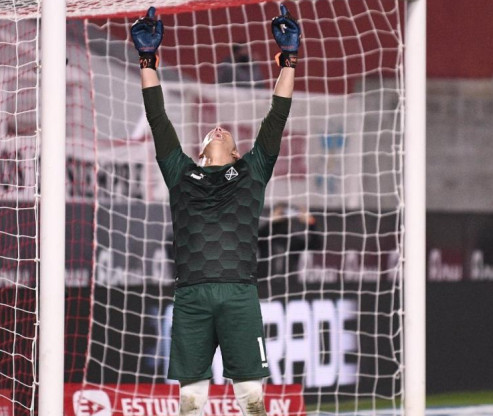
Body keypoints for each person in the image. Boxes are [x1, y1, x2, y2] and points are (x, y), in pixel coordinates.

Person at [131, 5, 299, 415]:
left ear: (237, 151)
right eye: (210, 132)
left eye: (224, 132)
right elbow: (157, 118)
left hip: (240, 293)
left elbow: (276, 118)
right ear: (201, 148)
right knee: (190, 401)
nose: (218, 129)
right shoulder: (179, 172)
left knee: (252, 399)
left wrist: (289, 61)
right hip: (190, 296)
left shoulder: (252, 172)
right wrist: (148, 62)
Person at [258, 202, 322, 280]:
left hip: (289, 287)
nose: (281, 216)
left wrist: (311, 223)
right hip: (264, 284)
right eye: (280, 213)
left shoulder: (292, 240)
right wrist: (271, 223)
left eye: (283, 213)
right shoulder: (264, 236)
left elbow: (316, 245)